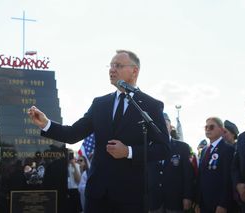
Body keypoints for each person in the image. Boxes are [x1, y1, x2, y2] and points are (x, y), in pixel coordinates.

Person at [28, 50, 170, 213]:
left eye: (118, 65)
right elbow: (73, 134)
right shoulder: (100, 104)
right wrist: (46, 124)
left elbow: (164, 149)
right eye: (110, 66)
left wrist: (128, 151)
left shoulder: (150, 105)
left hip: (131, 196)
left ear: (134, 70)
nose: (112, 69)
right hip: (97, 195)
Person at [148, 113, 195, 213]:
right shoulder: (148, 148)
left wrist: (188, 196)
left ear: (170, 127)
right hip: (154, 202)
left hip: (175, 202)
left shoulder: (183, 147)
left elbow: (188, 175)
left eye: (165, 124)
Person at [198, 117, 234, 213]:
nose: (208, 129)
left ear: (221, 130)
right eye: (206, 127)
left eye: (211, 127)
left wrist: (223, 204)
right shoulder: (204, 150)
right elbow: (201, 177)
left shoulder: (228, 150)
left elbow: (228, 179)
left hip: (219, 204)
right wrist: (198, 202)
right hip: (204, 203)